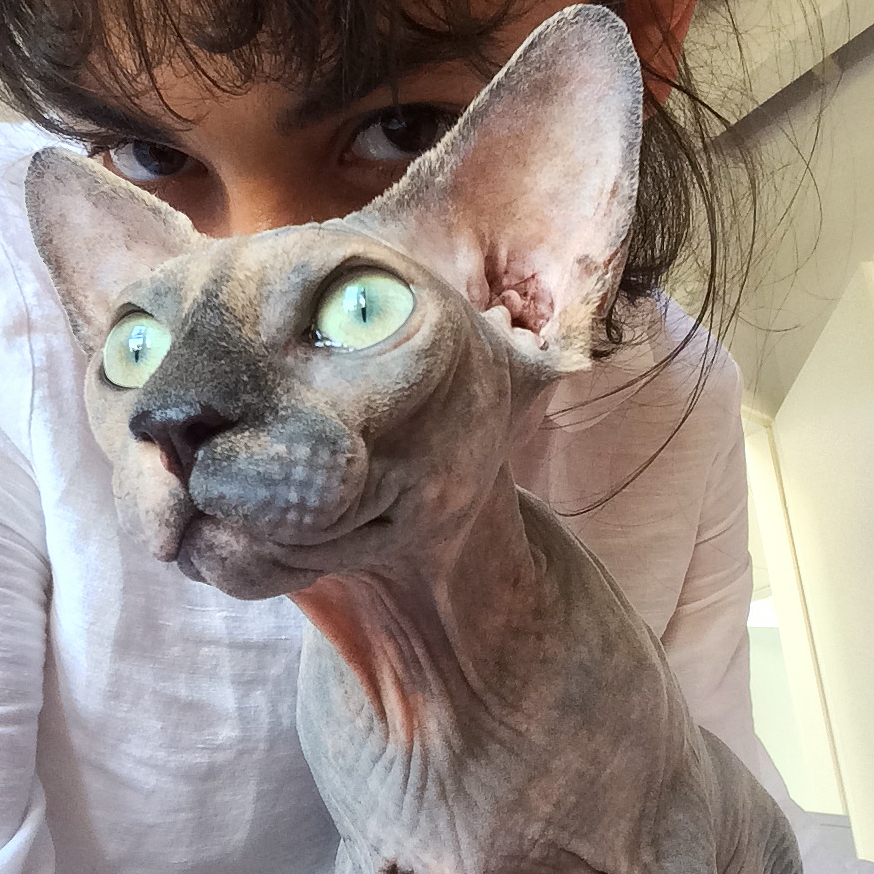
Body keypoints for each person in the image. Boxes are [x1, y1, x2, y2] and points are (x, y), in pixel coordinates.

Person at [0, 0, 867, 872]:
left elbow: (706, 778)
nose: (262, 247)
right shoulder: (18, 307)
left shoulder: (682, 390)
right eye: (147, 154)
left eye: (401, 128)